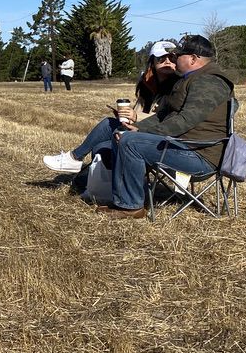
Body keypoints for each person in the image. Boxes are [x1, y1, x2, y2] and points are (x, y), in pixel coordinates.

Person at [101, 34, 234, 219]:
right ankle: (124, 200)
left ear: (193, 59)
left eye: (177, 56)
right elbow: (164, 115)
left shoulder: (210, 82)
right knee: (122, 133)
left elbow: (186, 120)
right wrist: (138, 127)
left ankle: (131, 206)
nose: (173, 60)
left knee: (130, 142)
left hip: (200, 155)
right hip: (183, 145)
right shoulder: (189, 79)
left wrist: (143, 132)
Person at [43, 41, 178, 173]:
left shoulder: (178, 86)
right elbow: (140, 112)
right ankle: (100, 182)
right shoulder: (147, 84)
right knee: (100, 148)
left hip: (162, 140)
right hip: (142, 131)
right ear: (152, 62)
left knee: (108, 125)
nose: (167, 61)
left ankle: (74, 158)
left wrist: (136, 117)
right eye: (161, 58)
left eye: (171, 58)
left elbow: (171, 119)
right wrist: (127, 117)